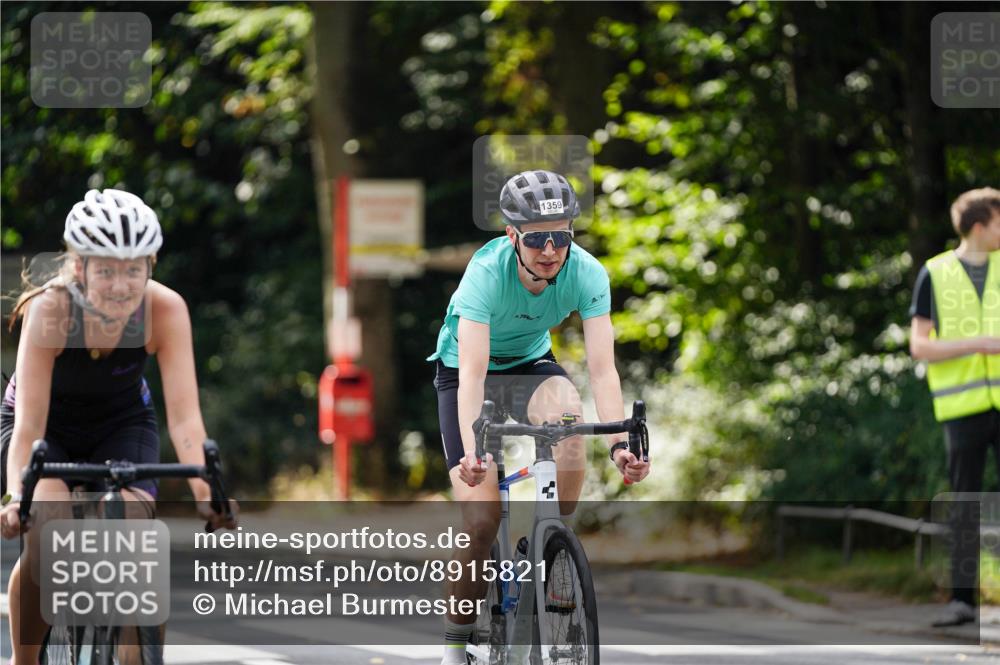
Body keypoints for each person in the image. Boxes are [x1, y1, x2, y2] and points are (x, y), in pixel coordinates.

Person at [0, 188, 238, 664]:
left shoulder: (166, 310)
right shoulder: (50, 310)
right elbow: (29, 428)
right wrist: (14, 498)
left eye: (134, 269)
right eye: (106, 270)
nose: (121, 285)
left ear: (151, 266)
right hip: (46, 429)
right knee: (49, 535)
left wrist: (205, 490)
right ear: (79, 267)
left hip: (121, 422)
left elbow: (186, 420)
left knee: (136, 543)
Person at [427, 170, 651, 664]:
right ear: (512, 236)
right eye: (535, 239)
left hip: (530, 365)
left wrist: (619, 445)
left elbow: (603, 370)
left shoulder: (587, 273)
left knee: (568, 416)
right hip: (467, 374)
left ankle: (548, 544)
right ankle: (455, 645)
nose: (549, 250)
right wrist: (473, 454)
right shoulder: (485, 273)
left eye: (560, 237)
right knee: (481, 523)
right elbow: (473, 375)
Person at [909, 187, 1000, 627]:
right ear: (979, 226)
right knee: (965, 503)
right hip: (962, 408)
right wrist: (977, 344)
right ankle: (962, 601)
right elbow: (919, 345)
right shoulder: (936, 272)